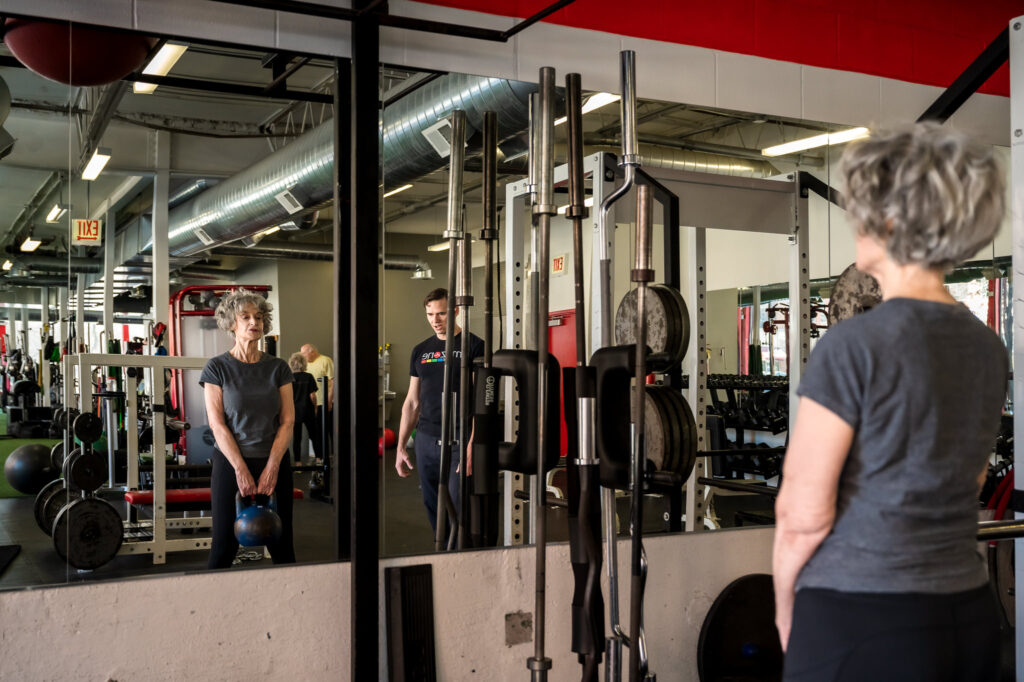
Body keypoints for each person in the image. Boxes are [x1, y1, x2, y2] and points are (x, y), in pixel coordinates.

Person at [773, 122, 1007, 681]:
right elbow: (971, 481)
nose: (855, 219)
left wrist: (787, 612)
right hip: (969, 613)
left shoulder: (853, 343)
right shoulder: (986, 345)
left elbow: (803, 514)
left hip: (861, 616)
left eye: (865, 207)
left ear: (896, 222)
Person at [200, 288, 296, 569]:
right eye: (245, 317)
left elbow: (287, 421)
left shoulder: (278, 368)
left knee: (281, 543)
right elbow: (217, 424)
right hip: (230, 464)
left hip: (274, 460)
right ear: (232, 324)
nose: (254, 323)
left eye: (258, 317)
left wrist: (273, 467)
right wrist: (240, 469)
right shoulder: (217, 368)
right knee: (224, 546)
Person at [396, 287, 483, 534]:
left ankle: (460, 555)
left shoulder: (475, 346)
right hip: (426, 439)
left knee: (458, 504)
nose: (435, 320)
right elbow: (412, 403)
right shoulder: (420, 351)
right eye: (430, 314)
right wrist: (401, 445)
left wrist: (471, 446)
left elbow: (480, 404)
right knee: (432, 504)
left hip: (459, 439)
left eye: (442, 314)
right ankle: (443, 553)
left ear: (455, 311)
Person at [300, 343, 334, 457]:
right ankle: (321, 458)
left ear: (312, 352)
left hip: (325, 403)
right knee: (317, 433)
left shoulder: (326, 360)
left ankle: (334, 456)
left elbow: (333, 382)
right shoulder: (305, 364)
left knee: (330, 431)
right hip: (312, 405)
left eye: (303, 353)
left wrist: (329, 400)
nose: (302, 355)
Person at [288, 352, 320, 465]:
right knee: (314, 435)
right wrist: (315, 408)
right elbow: (312, 396)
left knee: (297, 438)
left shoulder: (289, 378)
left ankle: (298, 462)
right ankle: (319, 459)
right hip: (308, 410)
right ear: (304, 363)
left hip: (295, 411)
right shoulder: (308, 376)